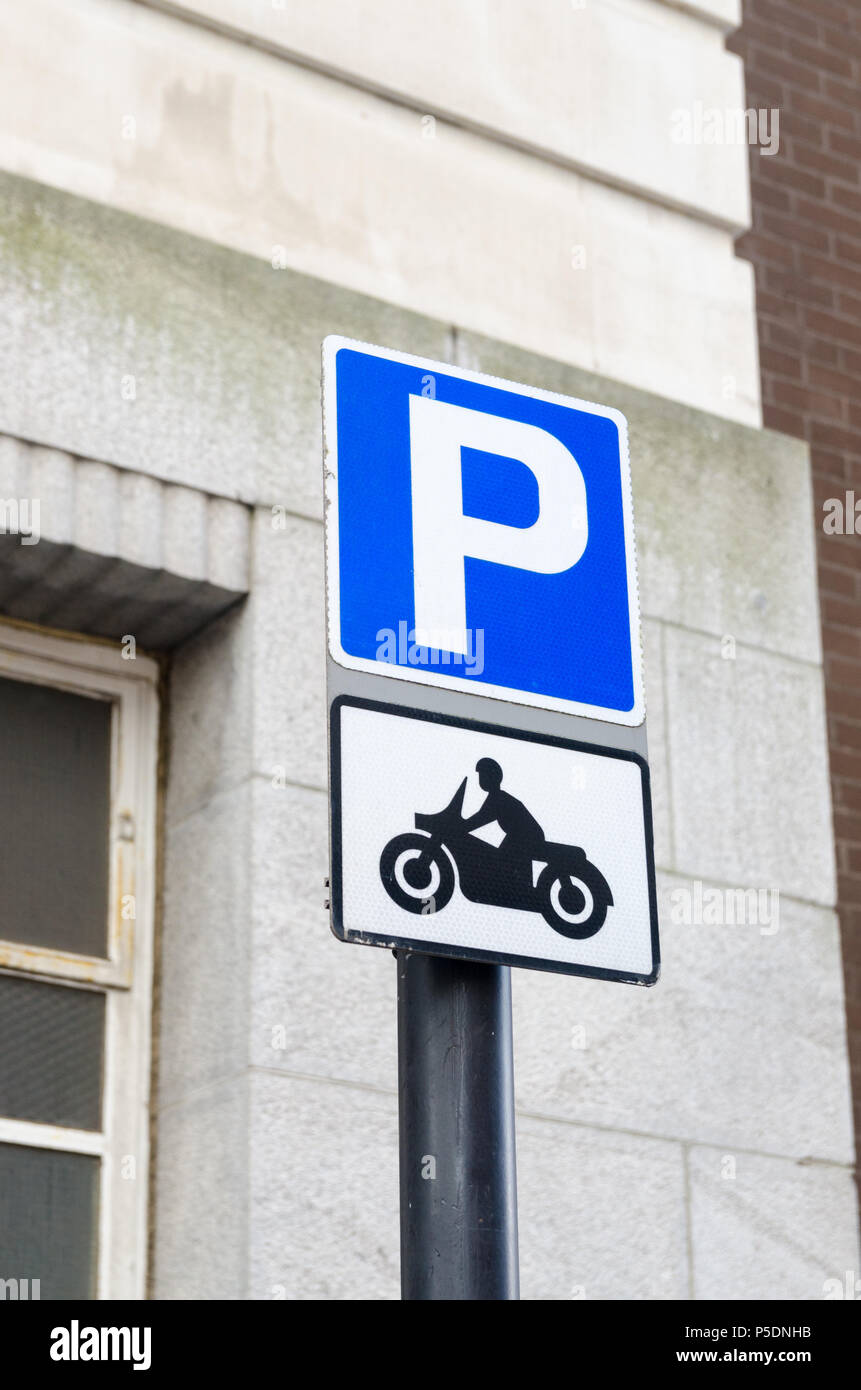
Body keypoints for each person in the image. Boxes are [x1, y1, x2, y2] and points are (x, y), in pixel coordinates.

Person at [461, 757, 545, 892]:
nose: (481, 779)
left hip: (525, 834)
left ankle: (519, 888)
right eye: (480, 776)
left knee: (501, 858)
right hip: (521, 833)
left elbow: (481, 818)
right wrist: (464, 826)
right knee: (504, 855)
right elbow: (481, 815)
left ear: (493, 777)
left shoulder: (498, 798)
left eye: (483, 775)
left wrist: (461, 827)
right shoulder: (496, 796)